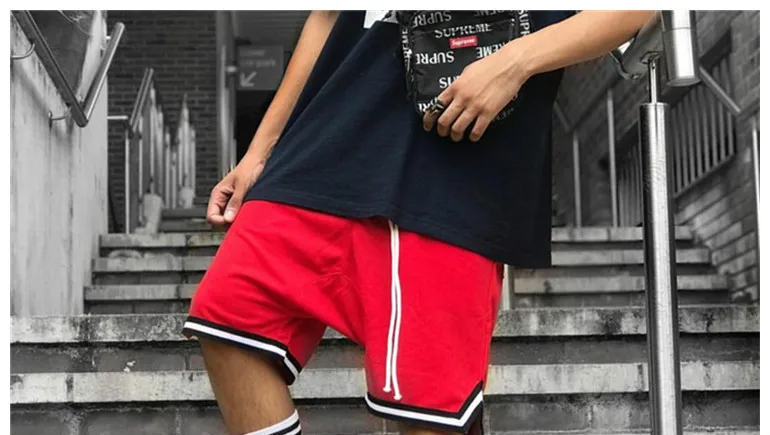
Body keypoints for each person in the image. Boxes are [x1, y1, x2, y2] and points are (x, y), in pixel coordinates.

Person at [183, 10, 655, 435]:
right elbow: (326, 16)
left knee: (430, 409)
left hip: (459, 165)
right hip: (327, 138)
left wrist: (515, 62)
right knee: (226, 312)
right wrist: (259, 152)